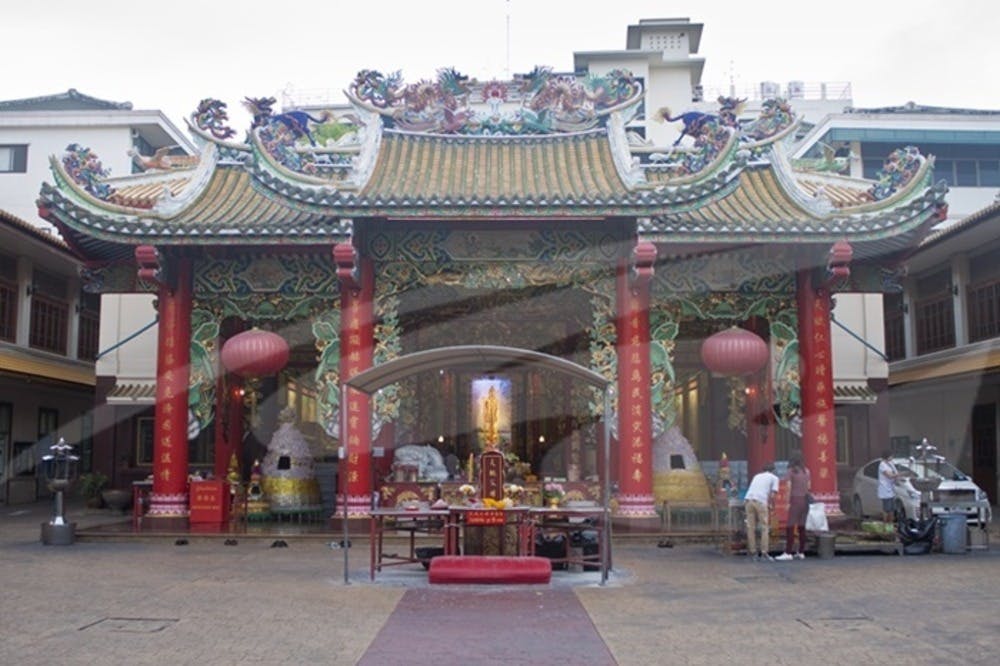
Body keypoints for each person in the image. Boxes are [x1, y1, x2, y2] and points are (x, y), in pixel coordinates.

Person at [744, 461, 780, 561]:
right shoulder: (774, 478)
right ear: (773, 470)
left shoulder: (757, 476)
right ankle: (764, 553)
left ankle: (753, 553)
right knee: (764, 528)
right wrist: (771, 506)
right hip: (760, 501)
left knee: (750, 527)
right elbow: (772, 495)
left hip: (748, 500)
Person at [776, 456, 811, 561]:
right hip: (805, 500)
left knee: (790, 526)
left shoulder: (791, 471)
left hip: (795, 500)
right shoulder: (807, 471)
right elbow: (809, 486)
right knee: (802, 526)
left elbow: (788, 487)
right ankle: (801, 551)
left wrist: (787, 501)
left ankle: (788, 552)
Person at [877, 449, 900, 523]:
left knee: (892, 509)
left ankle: (891, 524)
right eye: (891, 456)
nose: (892, 457)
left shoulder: (890, 464)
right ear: (887, 456)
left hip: (891, 489)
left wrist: (897, 477)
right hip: (885, 489)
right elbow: (889, 475)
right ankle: (886, 524)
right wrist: (899, 474)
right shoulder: (882, 465)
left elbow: (895, 473)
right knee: (887, 509)